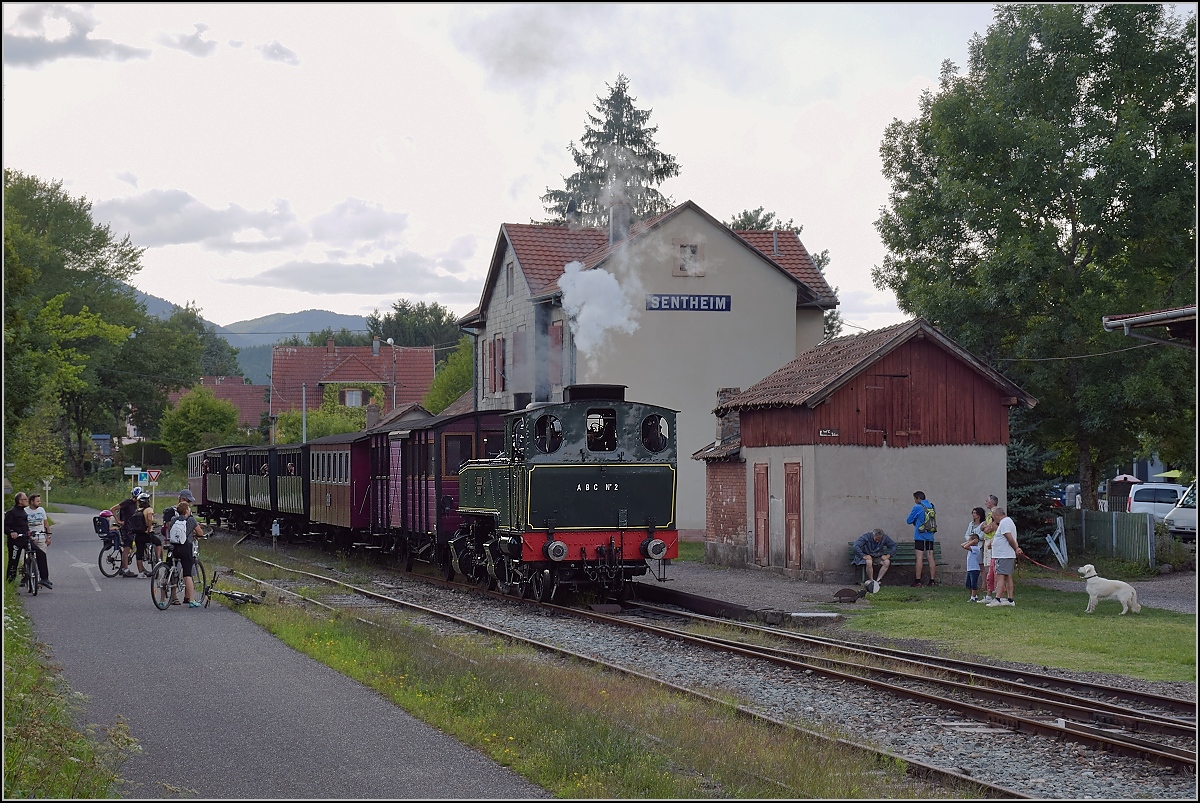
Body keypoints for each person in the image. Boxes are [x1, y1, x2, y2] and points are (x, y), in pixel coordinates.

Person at [168, 500, 206, 607]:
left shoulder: (173, 519)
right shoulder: (191, 520)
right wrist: (195, 534)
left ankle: (170, 597)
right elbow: (200, 533)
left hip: (174, 547)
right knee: (187, 574)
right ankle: (192, 600)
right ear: (186, 511)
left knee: (173, 570)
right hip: (186, 548)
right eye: (188, 508)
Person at [986, 505, 1023, 607]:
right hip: (1005, 554)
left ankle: (998, 599)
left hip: (1004, 555)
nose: (993, 519)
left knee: (1000, 576)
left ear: (997, 515)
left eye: (993, 517)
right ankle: (1010, 600)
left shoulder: (1005, 522)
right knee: (1007, 576)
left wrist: (1016, 548)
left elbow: (1009, 538)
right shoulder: (1007, 521)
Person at [905, 491, 938, 587]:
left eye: (915, 499)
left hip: (920, 535)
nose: (915, 501)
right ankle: (932, 581)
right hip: (930, 536)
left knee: (919, 557)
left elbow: (909, 520)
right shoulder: (932, 506)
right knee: (930, 557)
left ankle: (918, 581)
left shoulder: (917, 507)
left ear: (918, 498)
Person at [110, 486, 143, 578]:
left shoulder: (135, 505)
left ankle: (123, 567)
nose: (135, 499)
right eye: (135, 497)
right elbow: (113, 509)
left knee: (129, 546)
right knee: (127, 548)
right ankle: (125, 569)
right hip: (126, 528)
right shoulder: (127, 503)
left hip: (131, 528)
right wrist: (119, 521)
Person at [24, 493, 52, 590]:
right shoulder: (25, 511)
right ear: (32, 502)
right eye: (37, 501)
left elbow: (46, 524)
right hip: (30, 538)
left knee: (42, 558)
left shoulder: (41, 510)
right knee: (28, 556)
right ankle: (26, 574)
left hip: (41, 537)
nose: (39, 503)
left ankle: (43, 579)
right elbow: (23, 525)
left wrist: (48, 536)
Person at [961, 507, 985, 602]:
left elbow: (982, 535)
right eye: (973, 513)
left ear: (979, 514)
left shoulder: (983, 524)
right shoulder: (971, 524)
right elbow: (967, 534)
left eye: (975, 513)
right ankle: (973, 595)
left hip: (979, 546)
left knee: (981, 565)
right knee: (969, 581)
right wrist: (970, 539)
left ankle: (983, 585)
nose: (973, 514)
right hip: (971, 545)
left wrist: (975, 538)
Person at [979, 494, 1000, 603]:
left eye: (987, 501)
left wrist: (984, 528)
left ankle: (995, 592)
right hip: (988, 541)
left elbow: (989, 528)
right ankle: (990, 593)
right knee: (989, 568)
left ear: (991, 502)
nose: (985, 503)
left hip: (991, 542)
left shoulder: (994, 513)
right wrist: (984, 527)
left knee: (992, 568)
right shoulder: (990, 513)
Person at [6, 492, 30, 582]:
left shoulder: (24, 511)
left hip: (25, 539)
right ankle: (10, 582)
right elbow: (6, 526)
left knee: (39, 552)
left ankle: (35, 574)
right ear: (20, 501)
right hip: (15, 541)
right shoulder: (11, 512)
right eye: (25, 499)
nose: (27, 501)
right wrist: (11, 532)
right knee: (13, 562)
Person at [135, 492, 162, 574]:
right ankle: (158, 559)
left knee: (139, 554)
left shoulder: (137, 511)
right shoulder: (149, 509)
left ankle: (140, 573)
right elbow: (150, 519)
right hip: (146, 533)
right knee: (158, 542)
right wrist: (149, 528)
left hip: (138, 534)